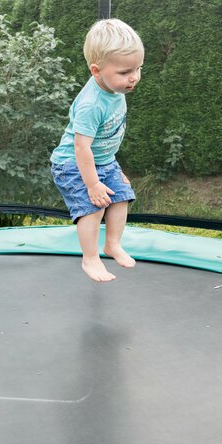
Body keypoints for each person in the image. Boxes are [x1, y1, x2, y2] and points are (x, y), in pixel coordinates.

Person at [50, 18, 144, 282]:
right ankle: (90, 259)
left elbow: (107, 140)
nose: (133, 77)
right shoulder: (92, 104)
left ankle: (112, 244)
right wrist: (93, 184)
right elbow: (81, 148)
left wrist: (113, 170)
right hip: (72, 164)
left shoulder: (116, 88)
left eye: (138, 68)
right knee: (94, 206)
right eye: (126, 72)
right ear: (96, 71)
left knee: (122, 196)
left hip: (103, 161)